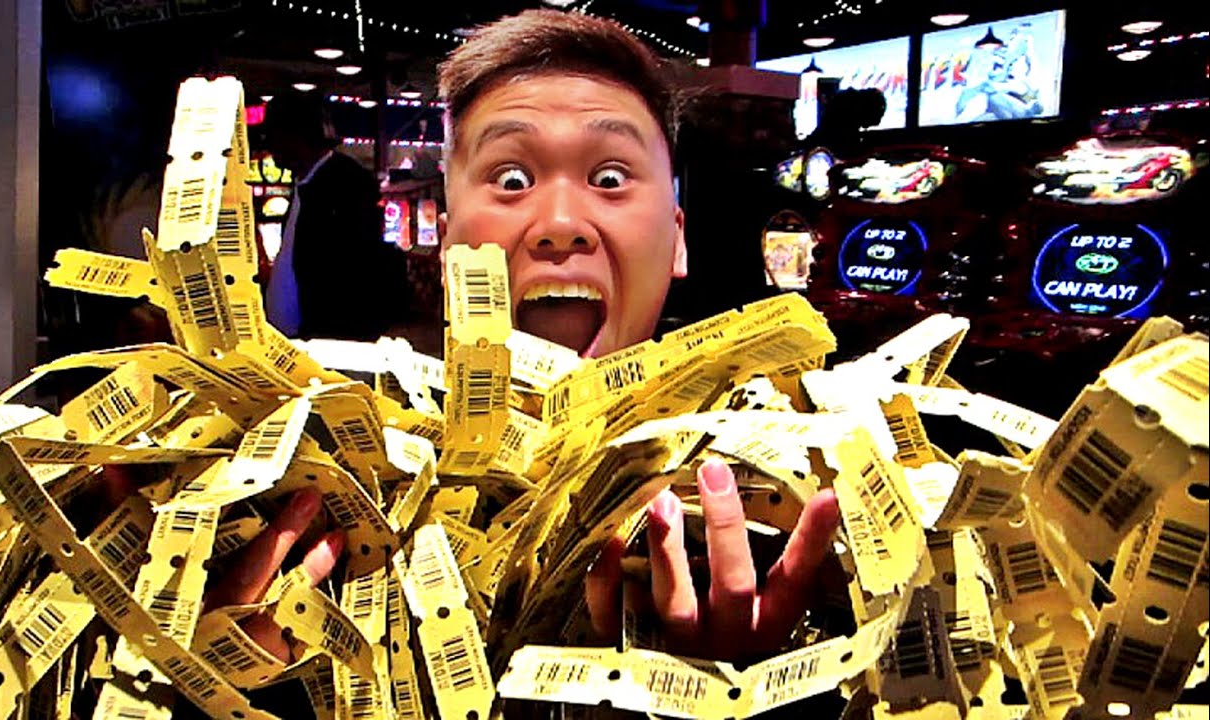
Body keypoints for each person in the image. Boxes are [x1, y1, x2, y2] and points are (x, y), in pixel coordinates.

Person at [222, 8, 840, 668]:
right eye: (512, 180)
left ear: (677, 239)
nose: (561, 223)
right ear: (448, 244)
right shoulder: (322, 506)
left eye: (609, 179)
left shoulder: (789, 509)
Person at [260, 91, 409, 340]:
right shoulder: (305, 183)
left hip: (329, 341)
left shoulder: (345, 184)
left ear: (298, 136)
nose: (270, 146)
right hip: (302, 339)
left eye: (274, 136)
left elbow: (352, 273)